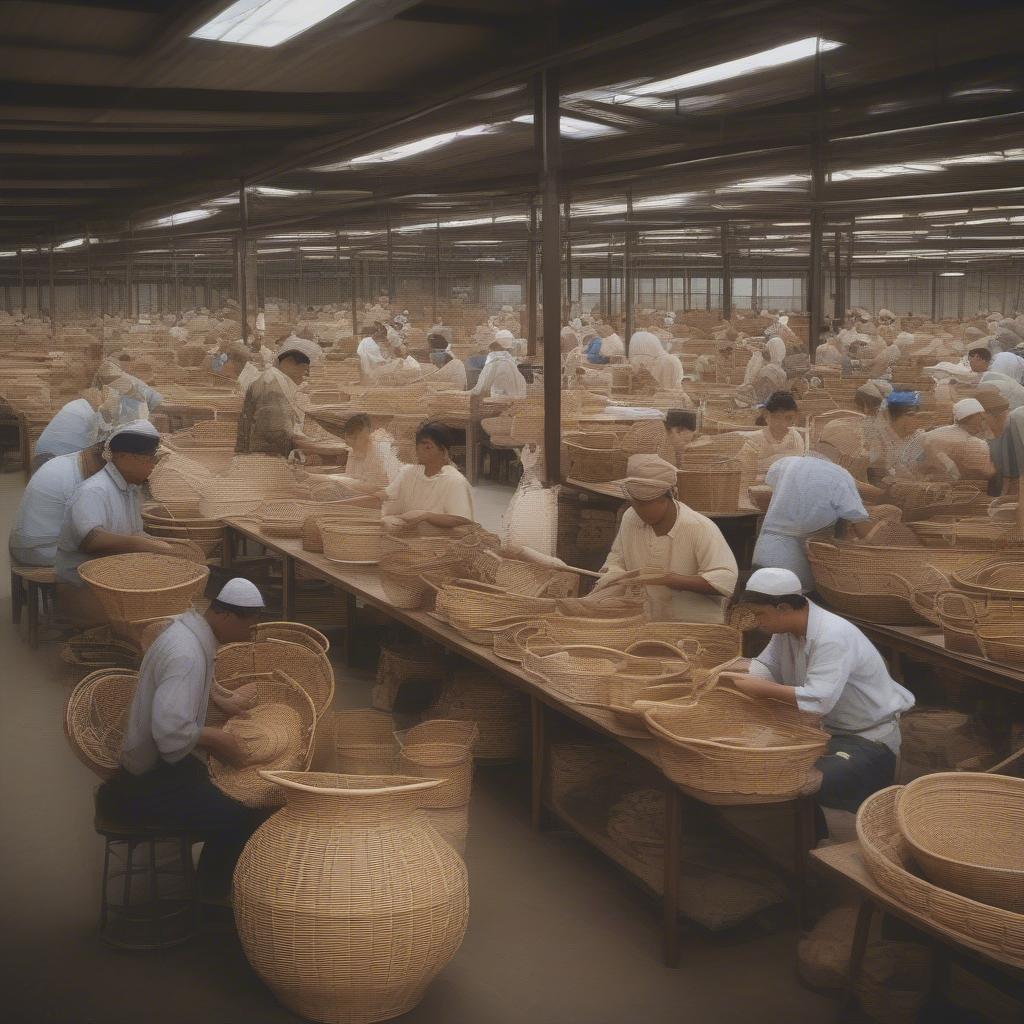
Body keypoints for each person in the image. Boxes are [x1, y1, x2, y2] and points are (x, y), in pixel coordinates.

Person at [97, 578, 269, 894]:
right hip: (149, 780)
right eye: (250, 625)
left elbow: (183, 689)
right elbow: (170, 733)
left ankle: (211, 882)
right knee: (244, 813)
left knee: (230, 787)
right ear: (226, 617)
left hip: (153, 764)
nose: (250, 634)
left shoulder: (186, 630)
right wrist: (220, 740)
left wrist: (222, 699)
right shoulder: (186, 655)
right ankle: (212, 895)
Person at [723, 568, 915, 822]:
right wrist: (741, 675)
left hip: (866, 737)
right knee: (755, 763)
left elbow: (818, 700)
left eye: (761, 614)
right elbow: (767, 665)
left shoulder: (832, 636)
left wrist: (762, 689)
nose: (758, 621)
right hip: (823, 729)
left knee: (805, 780)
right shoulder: (786, 631)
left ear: (783, 608)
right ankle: (804, 834)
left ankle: (831, 839)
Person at [55, 421, 176, 622]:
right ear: (124, 458)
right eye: (149, 459)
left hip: (114, 575)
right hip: (80, 584)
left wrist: (157, 546)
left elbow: (134, 532)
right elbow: (91, 540)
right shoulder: (93, 490)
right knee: (155, 613)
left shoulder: (130, 490)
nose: (153, 466)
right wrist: (142, 544)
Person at [596, 454, 738, 623]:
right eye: (637, 503)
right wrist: (614, 575)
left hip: (694, 624)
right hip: (643, 619)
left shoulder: (698, 527)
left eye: (649, 503)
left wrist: (669, 579)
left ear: (670, 496)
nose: (642, 510)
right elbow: (617, 559)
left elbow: (726, 579)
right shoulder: (630, 517)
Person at [750, 455, 875, 591]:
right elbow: (858, 519)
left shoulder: (786, 463)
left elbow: (771, 484)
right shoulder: (840, 475)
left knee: (762, 600)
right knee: (791, 603)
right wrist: (877, 544)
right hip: (794, 562)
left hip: (766, 548)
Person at [235, 337, 340, 460]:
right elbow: (281, 434)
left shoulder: (273, 380)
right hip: (264, 460)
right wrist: (327, 448)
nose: (304, 377)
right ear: (289, 363)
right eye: (304, 370)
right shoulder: (272, 389)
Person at [10, 442, 105, 567]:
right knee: (114, 561)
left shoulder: (70, 460)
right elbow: (90, 537)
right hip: (38, 551)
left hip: (24, 542)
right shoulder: (80, 480)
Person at [379, 421, 475, 532]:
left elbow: (461, 520)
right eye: (419, 446)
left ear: (443, 451)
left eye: (428, 447)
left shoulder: (455, 481)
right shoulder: (409, 472)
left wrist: (426, 516)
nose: (420, 451)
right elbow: (386, 496)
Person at [921, 397, 997, 481]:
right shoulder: (976, 444)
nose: (984, 420)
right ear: (972, 418)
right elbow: (988, 473)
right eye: (981, 418)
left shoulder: (932, 433)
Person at [32, 389, 109, 471]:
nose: (103, 400)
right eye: (102, 395)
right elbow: (96, 441)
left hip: (43, 455)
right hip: (53, 459)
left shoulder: (78, 405)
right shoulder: (84, 412)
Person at [330, 413, 403, 496]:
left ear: (366, 434)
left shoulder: (378, 451)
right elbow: (350, 476)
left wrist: (335, 480)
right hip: (367, 493)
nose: (348, 442)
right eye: (347, 438)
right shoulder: (354, 449)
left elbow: (376, 488)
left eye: (354, 438)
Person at [741, 390, 806, 478]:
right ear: (767, 415)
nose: (783, 423)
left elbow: (798, 468)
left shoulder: (795, 438)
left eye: (788, 418)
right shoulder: (753, 441)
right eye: (777, 417)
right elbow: (744, 471)